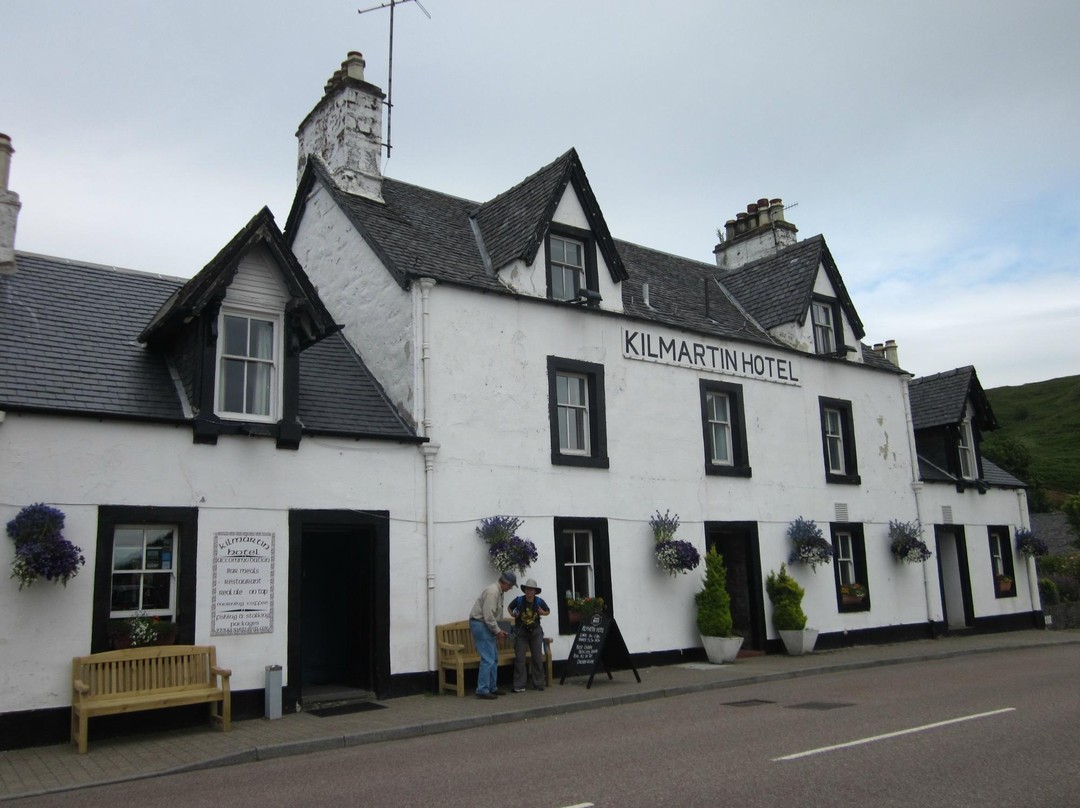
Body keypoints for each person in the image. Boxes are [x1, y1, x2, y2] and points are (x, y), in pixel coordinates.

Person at [468, 570, 516, 699]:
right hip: (480, 624)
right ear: (505, 583)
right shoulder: (492, 592)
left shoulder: (499, 592)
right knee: (488, 658)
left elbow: (496, 615)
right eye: (511, 586)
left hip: (485, 624)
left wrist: (499, 631)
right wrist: (498, 631)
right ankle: (482, 689)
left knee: (493, 657)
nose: (510, 589)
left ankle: (492, 687)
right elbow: (488, 615)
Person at [508, 577, 550, 692]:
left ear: (535, 591)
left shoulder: (539, 601)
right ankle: (519, 685)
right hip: (520, 632)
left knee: (537, 657)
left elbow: (548, 611)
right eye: (527, 589)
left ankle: (538, 683)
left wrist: (543, 613)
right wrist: (513, 615)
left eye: (531, 590)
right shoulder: (519, 600)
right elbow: (509, 608)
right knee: (520, 659)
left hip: (535, 631)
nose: (529, 591)